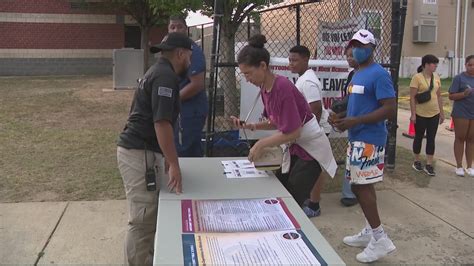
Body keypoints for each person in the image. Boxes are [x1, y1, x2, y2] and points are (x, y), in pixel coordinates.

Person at [231, 34, 338, 211]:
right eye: (244, 74)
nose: (247, 79)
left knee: (291, 200)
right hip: (296, 145)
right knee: (279, 188)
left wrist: (260, 145)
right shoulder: (265, 89)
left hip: (310, 150)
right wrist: (252, 126)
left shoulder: (282, 87)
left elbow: (294, 131)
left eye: (248, 73)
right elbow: (276, 121)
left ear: (263, 66)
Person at [116, 32, 192, 265]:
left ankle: (148, 259)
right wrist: (174, 164)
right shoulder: (165, 78)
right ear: (180, 54)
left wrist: (167, 158)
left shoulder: (156, 72)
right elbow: (161, 123)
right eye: (189, 56)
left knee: (148, 216)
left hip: (142, 152)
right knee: (142, 219)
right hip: (140, 153)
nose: (190, 61)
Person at [329, 29, 396, 263]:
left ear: (372, 48)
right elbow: (359, 107)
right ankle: (370, 231)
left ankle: (380, 239)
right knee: (361, 185)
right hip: (356, 137)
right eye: (354, 44)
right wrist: (342, 118)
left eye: (362, 45)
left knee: (361, 187)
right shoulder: (357, 73)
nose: (356, 49)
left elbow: (389, 108)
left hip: (369, 139)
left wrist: (356, 121)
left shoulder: (379, 74)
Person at [288, 45, 332, 217]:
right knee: (310, 167)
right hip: (310, 131)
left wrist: (305, 134)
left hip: (315, 132)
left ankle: (314, 205)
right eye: (290, 60)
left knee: (314, 167)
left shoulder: (307, 82)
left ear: (306, 60)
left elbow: (315, 110)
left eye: (295, 60)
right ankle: (310, 199)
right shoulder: (303, 78)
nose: (291, 64)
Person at [168, 15, 207, 157]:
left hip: (191, 111)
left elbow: (197, 84)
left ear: (186, 29)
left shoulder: (192, 51)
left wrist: (172, 100)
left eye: (179, 26)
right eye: (172, 27)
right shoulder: (172, 51)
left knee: (184, 150)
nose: (176, 30)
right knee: (189, 149)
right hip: (180, 110)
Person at [409, 54, 445, 176]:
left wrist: (442, 113)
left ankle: (429, 164)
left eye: (436, 64)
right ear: (426, 65)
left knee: (431, 138)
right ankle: (416, 160)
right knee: (418, 136)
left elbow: (439, 96)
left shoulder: (436, 77)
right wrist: (413, 114)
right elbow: (412, 97)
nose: (435, 66)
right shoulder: (417, 78)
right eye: (433, 64)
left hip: (434, 113)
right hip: (420, 113)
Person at [338, 45, 359, 207]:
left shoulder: (373, 74)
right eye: (347, 56)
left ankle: (354, 192)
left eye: (352, 55)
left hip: (364, 123)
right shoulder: (352, 74)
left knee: (358, 159)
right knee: (352, 157)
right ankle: (350, 192)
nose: (349, 59)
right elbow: (349, 99)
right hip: (352, 121)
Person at [448, 55, 474, 177]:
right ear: (466, 65)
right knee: (460, 138)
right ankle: (459, 166)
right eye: (470, 65)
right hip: (461, 112)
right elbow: (451, 96)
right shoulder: (459, 78)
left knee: (471, 139)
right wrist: (464, 94)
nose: (472, 67)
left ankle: (469, 166)